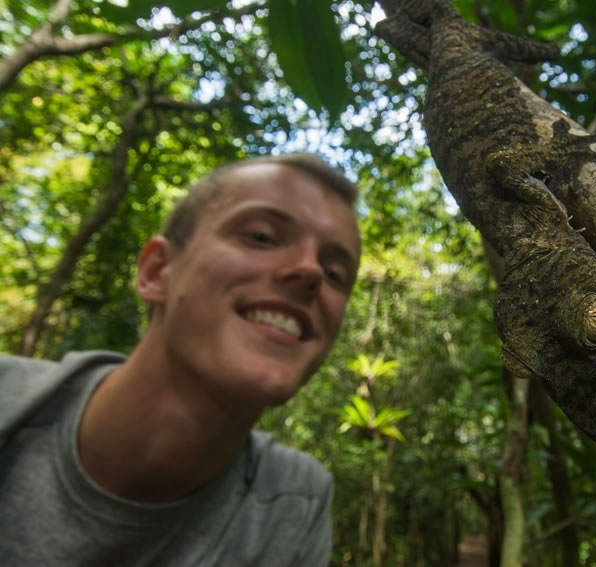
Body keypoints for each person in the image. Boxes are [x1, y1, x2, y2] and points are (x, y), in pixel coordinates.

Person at [0, 154, 361, 565]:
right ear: (157, 272)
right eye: (261, 236)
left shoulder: (295, 499)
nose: (311, 271)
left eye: (335, 274)